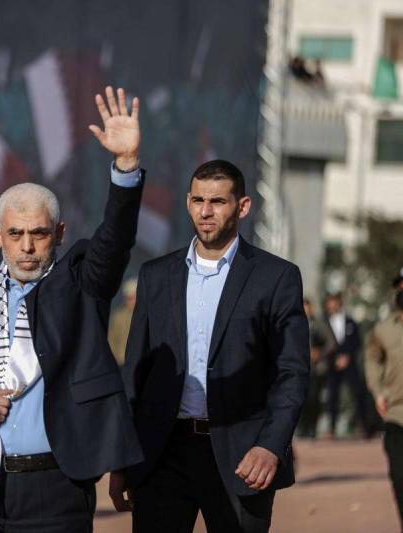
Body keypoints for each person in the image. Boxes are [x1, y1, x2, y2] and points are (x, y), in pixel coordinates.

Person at [0, 86, 144, 532]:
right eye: (15, 233)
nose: (27, 246)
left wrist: (125, 167)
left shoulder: (81, 285)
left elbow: (114, 239)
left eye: (39, 234)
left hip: (56, 486)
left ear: (59, 233)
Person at [115, 159, 310, 533]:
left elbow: (292, 372)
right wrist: (123, 460)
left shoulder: (277, 278)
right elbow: (136, 372)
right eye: (198, 200)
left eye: (218, 201)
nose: (205, 212)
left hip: (243, 455)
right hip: (162, 453)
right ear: (188, 202)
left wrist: (271, 445)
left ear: (243, 206)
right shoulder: (156, 276)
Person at [365, 266, 403, 533]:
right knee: (402, 483)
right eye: (400, 286)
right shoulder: (383, 330)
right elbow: (371, 359)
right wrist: (378, 390)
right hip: (397, 418)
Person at [323, 292, 371, 438]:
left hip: (350, 364)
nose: (331, 305)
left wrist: (347, 357)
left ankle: (363, 426)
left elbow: (357, 341)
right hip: (332, 365)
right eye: (329, 303)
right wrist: (334, 359)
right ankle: (331, 428)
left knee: (358, 392)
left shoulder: (351, 321)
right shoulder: (323, 323)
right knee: (332, 396)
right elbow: (321, 343)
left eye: (334, 302)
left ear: (339, 303)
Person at [297, 297, 334, 439]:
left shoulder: (318, 323)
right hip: (298, 369)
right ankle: (302, 427)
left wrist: (320, 353)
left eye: (307, 307)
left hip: (315, 369)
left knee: (313, 399)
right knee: (299, 400)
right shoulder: (292, 323)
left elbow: (331, 342)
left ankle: (312, 428)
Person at [108, 277, 138, 367]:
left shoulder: (147, 315)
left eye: (134, 297)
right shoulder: (118, 317)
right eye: (129, 298)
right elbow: (111, 340)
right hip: (122, 362)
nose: (132, 301)